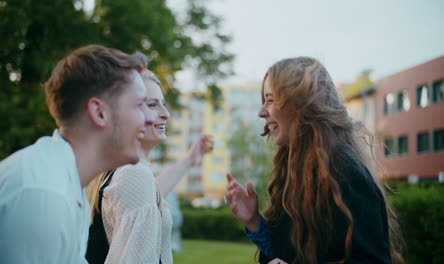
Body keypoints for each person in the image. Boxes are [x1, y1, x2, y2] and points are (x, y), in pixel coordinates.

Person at [0, 45, 153, 264]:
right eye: (139, 105)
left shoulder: (66, 185)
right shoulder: (43, 196)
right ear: (99, 112)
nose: (149, 119)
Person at [225, 57, 404, 264]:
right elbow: (286, 253)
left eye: (271, 100)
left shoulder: (345, 173)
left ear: (301, 105)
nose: (261, 112)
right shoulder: (294, 172)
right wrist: (254, 221)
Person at [85, 70, 213, 264]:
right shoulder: (134, 174)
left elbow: (149, 196)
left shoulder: (117, 172)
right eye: (152, 105)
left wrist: (189, 160)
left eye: (163, 104)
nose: (166, 114)